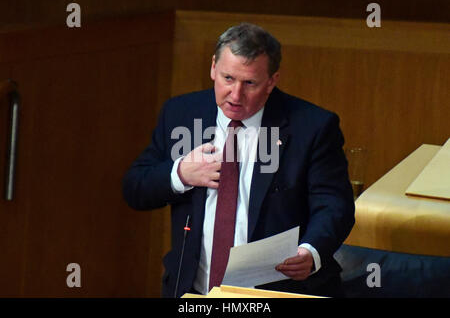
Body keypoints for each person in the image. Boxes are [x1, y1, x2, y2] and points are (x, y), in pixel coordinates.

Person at [122, 23, 355, 298]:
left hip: (279, 292)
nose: (235, 95)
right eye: (228, 78)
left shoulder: (312, 126)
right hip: (194, 292)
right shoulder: (181, 114)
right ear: (213, 68)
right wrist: (181, 174)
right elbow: (135, 188)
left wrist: (311, 251)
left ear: (271, 81)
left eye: (250, 83)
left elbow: (334, 206)